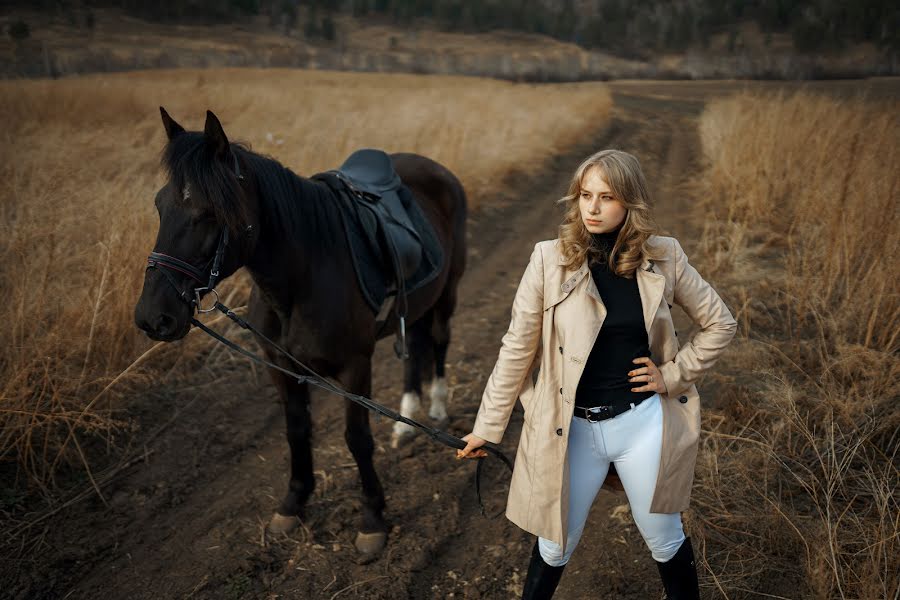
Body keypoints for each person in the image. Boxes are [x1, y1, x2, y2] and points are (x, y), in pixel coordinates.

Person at [455, 149, 737, 599]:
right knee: (554, 544)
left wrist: (674, 373)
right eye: (585, 195)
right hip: (573, 431)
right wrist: (486, 429)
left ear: (629, 202)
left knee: (664, 538)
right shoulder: (549, 260)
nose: (592, 207)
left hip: (642, 422)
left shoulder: (664, 256)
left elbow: (720, 322)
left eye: (606, 197)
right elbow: (517, 348)